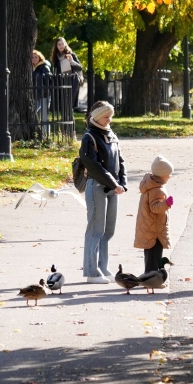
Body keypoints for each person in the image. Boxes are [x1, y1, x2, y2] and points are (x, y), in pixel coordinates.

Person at [79, 101, 127, 283]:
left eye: (110, 116)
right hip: (97, 186)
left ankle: (103, 266)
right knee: (95, 230)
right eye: (106, 116)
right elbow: (93, 166)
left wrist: (122, 183)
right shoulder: (89, 137)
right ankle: (92, 272)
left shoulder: (111, 135)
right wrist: (114, 183)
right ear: (97, 116)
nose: (109, 120)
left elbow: (120, 161)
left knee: (108, 230)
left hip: (113, 188)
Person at [135, 155, 174, 274]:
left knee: (150, 254)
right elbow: (155, 208)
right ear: (162, 175)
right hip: (154, 229)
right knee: (155, 254)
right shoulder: (157, 189)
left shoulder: (150, 185)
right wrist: (166, 204)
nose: (170, 176)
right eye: (168, 174)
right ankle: (152, 278)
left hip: (149, 227)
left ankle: (150, 275)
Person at [49, 37, 83, 111]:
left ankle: (70, 121)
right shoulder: (56, 57)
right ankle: (65, 121)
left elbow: (80, 67)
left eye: (62, 44)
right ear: (56, 46)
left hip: (72, 80)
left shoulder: (71, 55)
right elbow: (56, 70)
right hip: (61, 80)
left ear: (65, 45)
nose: (61, 46)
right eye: (59, 44)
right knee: (62, 103)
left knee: (69, 103)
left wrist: (71, 61)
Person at [31, 50, 52, 137]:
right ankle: (36, 133)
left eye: (36, 57)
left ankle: (47, 135)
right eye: (32, 57)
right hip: (35, 95)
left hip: (44, 95)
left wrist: (44, 90)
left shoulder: (44, 67)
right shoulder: (31, 68)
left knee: (44, 117)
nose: (34, 59)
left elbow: (48, 81)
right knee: (33, 113)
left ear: (40, 58)